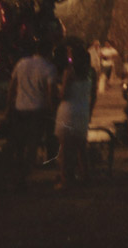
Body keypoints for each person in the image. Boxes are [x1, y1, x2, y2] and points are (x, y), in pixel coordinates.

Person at [5, 40, 59, 188]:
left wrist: (8, 108)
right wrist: (52, 111)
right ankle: (23, 177)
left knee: (19, 144)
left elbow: (12, 87)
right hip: (37, 110)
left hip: (19, 109)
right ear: (49, 52)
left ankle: (14, 175)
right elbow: (50, 94)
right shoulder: (49, 68)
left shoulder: (21, 63)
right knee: (32, 144)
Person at [54, 46, 94, 189]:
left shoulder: (69, 72)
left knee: (65, 149)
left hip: (69, 110)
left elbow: (64, 94)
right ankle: (86, 176)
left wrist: (57, 92)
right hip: (83, 110)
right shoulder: (90, 72)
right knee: (81, 148)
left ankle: (65, 179)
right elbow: (91, 94)